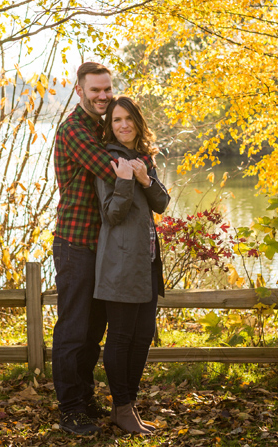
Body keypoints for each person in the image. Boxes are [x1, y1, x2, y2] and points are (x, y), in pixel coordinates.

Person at [51, 62, 153, 435]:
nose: (103, 96)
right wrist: (143, 167)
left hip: (105, 248)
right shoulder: (75, 131)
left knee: (94, 332)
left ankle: (87, 398)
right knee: (74, 330)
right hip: (76, 242)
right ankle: (71, 408)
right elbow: (110, 167)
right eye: (95, 90)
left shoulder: (101, 125)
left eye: (107, 89)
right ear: (79, 91)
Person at [94, 96, 170, 434]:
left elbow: (163, 203)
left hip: (148, 262)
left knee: (142, 338)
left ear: (138, 122)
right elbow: (111, 213)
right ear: (110, 127)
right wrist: (125, 180)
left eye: (128, 119)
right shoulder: (110, 160)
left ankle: (129, 407)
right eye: (116, 120)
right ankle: (121, 408)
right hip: (120, 264)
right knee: (121, 337)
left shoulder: (144, 160)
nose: (123, 125)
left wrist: (144, 178)